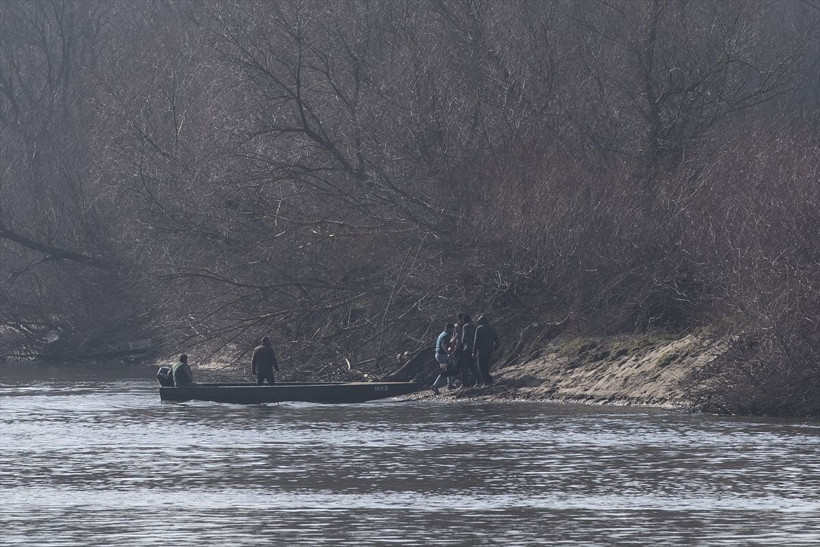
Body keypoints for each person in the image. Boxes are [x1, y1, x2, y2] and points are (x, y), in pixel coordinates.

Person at [473, 315, 499, 386]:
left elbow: (476, 341)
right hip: (490, 350)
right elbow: (496, 339)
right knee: (486, 365)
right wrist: (496, 348)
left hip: (481, 350)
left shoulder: (479, 329)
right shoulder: (491, 328)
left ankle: (485, 381)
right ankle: (489, 379)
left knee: (481, 367)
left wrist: (474, 352)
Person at [431, 323, 455, 394]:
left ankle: (450, 385)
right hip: (442, 355)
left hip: (438, 354)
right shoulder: (446, 335)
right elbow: (444, 345)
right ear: (449, 328)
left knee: (449, 368)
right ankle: (435, 385)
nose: (452, 331)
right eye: (452, 329)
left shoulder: (442, 334)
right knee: (446, 370)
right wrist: (449, 353)